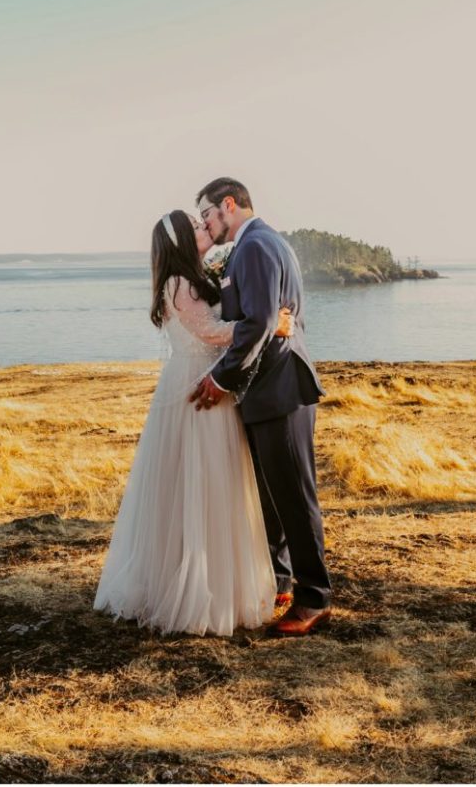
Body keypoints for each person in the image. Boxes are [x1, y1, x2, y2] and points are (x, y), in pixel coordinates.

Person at [93, 209, 294, 636]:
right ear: (184, 241)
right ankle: (199, 589)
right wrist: (270, 324)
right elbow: (211, 332)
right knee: (203, 484)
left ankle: (212, 580)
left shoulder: (191, 277)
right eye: (199, 227)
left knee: (207, 486)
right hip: (198, 388)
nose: (207, 229)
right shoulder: (180, 283)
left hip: (201, 382)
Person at [191, 178, 332, 636]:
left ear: (228, 204)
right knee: (273, 497)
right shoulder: (257, 245)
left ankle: (314, 600)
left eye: (209, 214)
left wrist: (219, 378)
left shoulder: (255, 246)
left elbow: (259, 324)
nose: (208, 224)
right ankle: (282, 583)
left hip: (281, 388)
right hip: (266, 390)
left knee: (293, 495)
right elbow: (262, 318)